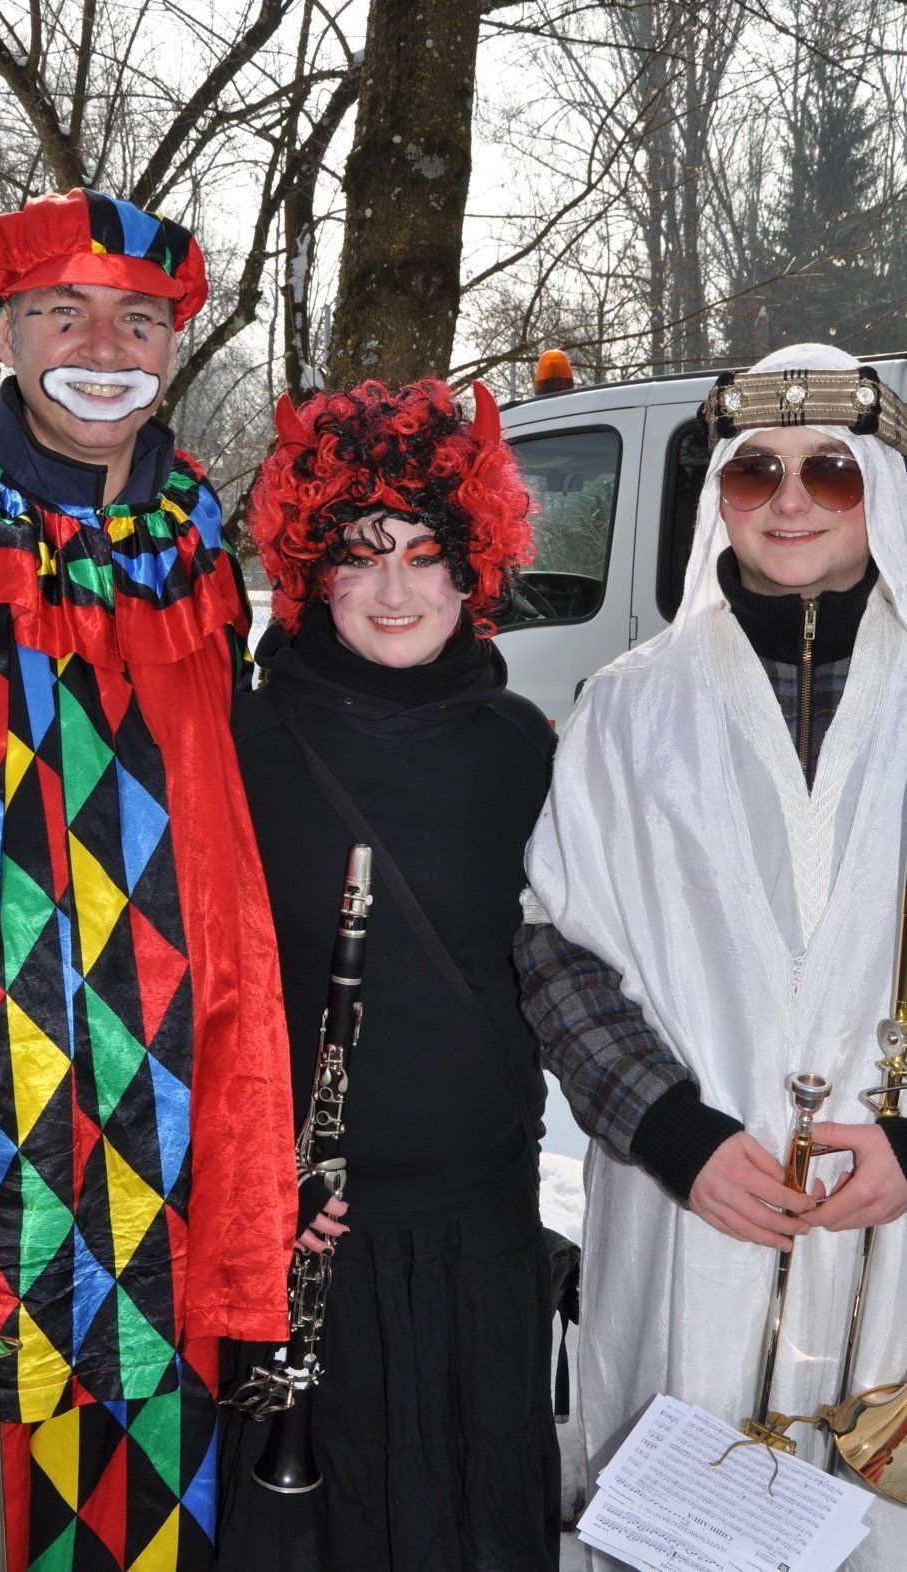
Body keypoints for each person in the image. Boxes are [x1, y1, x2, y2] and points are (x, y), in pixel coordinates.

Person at [0, 187, 296, 1572]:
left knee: (144, 1468)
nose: (104, 347)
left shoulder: (197, 550)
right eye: (62, 312)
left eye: (139, 319)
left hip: (170, 1095)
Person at [518, 342, 907, 1571]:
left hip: (891, 1220)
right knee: (684, 1531)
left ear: (884, 488)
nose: (789, 501)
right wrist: (673, 1132)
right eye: (755, 472)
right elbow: (556, 946)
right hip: (688, 1212)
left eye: (830, 471)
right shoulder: (630, 707)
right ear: (719, 495)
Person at [215, 378, 563, 1572]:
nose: (398, 591)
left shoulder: (520, 747)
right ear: (311, 575)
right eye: (361, 559)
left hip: (481, 1227)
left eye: (427, 556)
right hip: (307, 1237)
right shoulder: (243, 744)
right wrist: (256, 1171)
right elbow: (195, 989)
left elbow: (566, 967)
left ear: (475, 574)